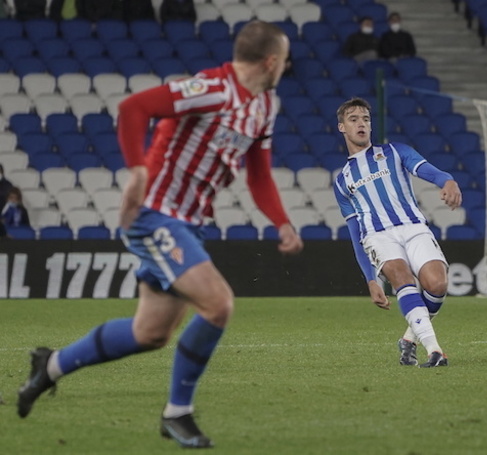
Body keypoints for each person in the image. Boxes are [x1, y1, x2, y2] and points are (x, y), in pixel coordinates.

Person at [17, 21, 304, 449]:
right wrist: (136, 171)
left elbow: (258, 172)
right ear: (271, 61)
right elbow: (134, 108)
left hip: (188, 223)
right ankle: (178, 413)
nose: (286, 67)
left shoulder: (265, 106)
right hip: (154, 214)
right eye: (285, 60)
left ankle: (50, 365)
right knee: (218, 303)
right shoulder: (211, 88)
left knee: (149, 333)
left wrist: (281, 219)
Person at [332, 97, 462, 368]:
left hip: (413, 227)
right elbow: (355, 231)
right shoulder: (343, 179)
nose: (361, 124)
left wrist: (448, 179)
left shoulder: (395, 151)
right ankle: (434, 350)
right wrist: (371, 279)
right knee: (401, 275)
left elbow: (429, 171)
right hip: (377, 235)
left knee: (437, 284)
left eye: (366, 119)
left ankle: (408, 339)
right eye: (353, 119)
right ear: (342, 127)